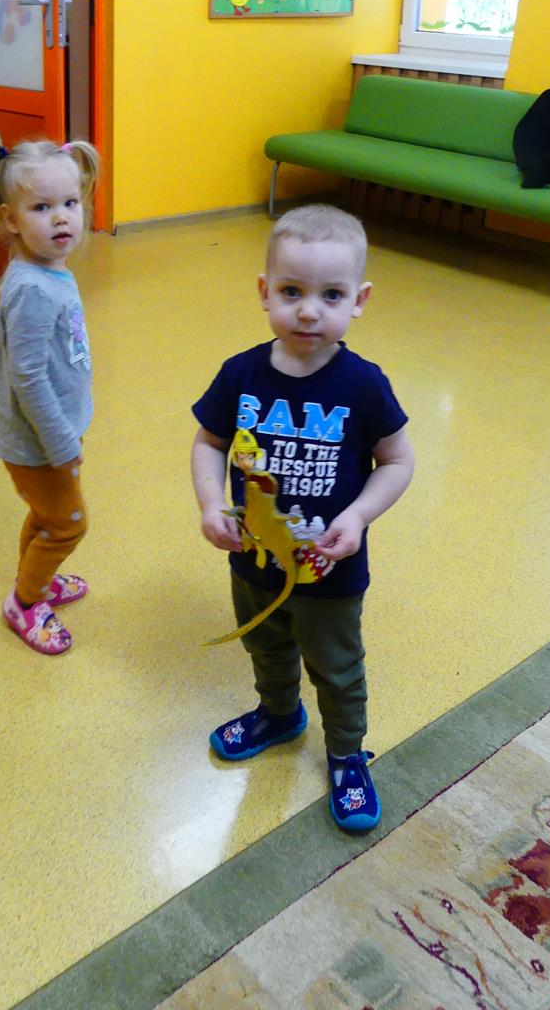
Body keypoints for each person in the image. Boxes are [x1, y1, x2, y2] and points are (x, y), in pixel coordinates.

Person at [191, 205, 414, 832]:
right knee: (265, 644)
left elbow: (398, 461)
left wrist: (360, 515)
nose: (309, 312)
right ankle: (279, 714)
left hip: (329, 570)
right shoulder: (241, 374)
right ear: (265, 292)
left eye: (331, 295)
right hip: (253, 559)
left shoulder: (363, 385)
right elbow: (209, 442)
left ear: (359, 300)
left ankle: (345, 754)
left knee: (337, 669)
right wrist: (209, 504)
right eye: (292, 292)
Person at [0, 126, 100, 656]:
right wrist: (60, 443)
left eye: (70, 203)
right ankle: (24, 602)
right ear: (11, 219)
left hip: (53, 432)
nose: (62, 217)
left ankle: (35, 581)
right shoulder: (32, 289)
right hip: (40, 441)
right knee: (68, 526)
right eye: (42, 208)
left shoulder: (48, 269)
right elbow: (26, 376)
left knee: (46, 516)